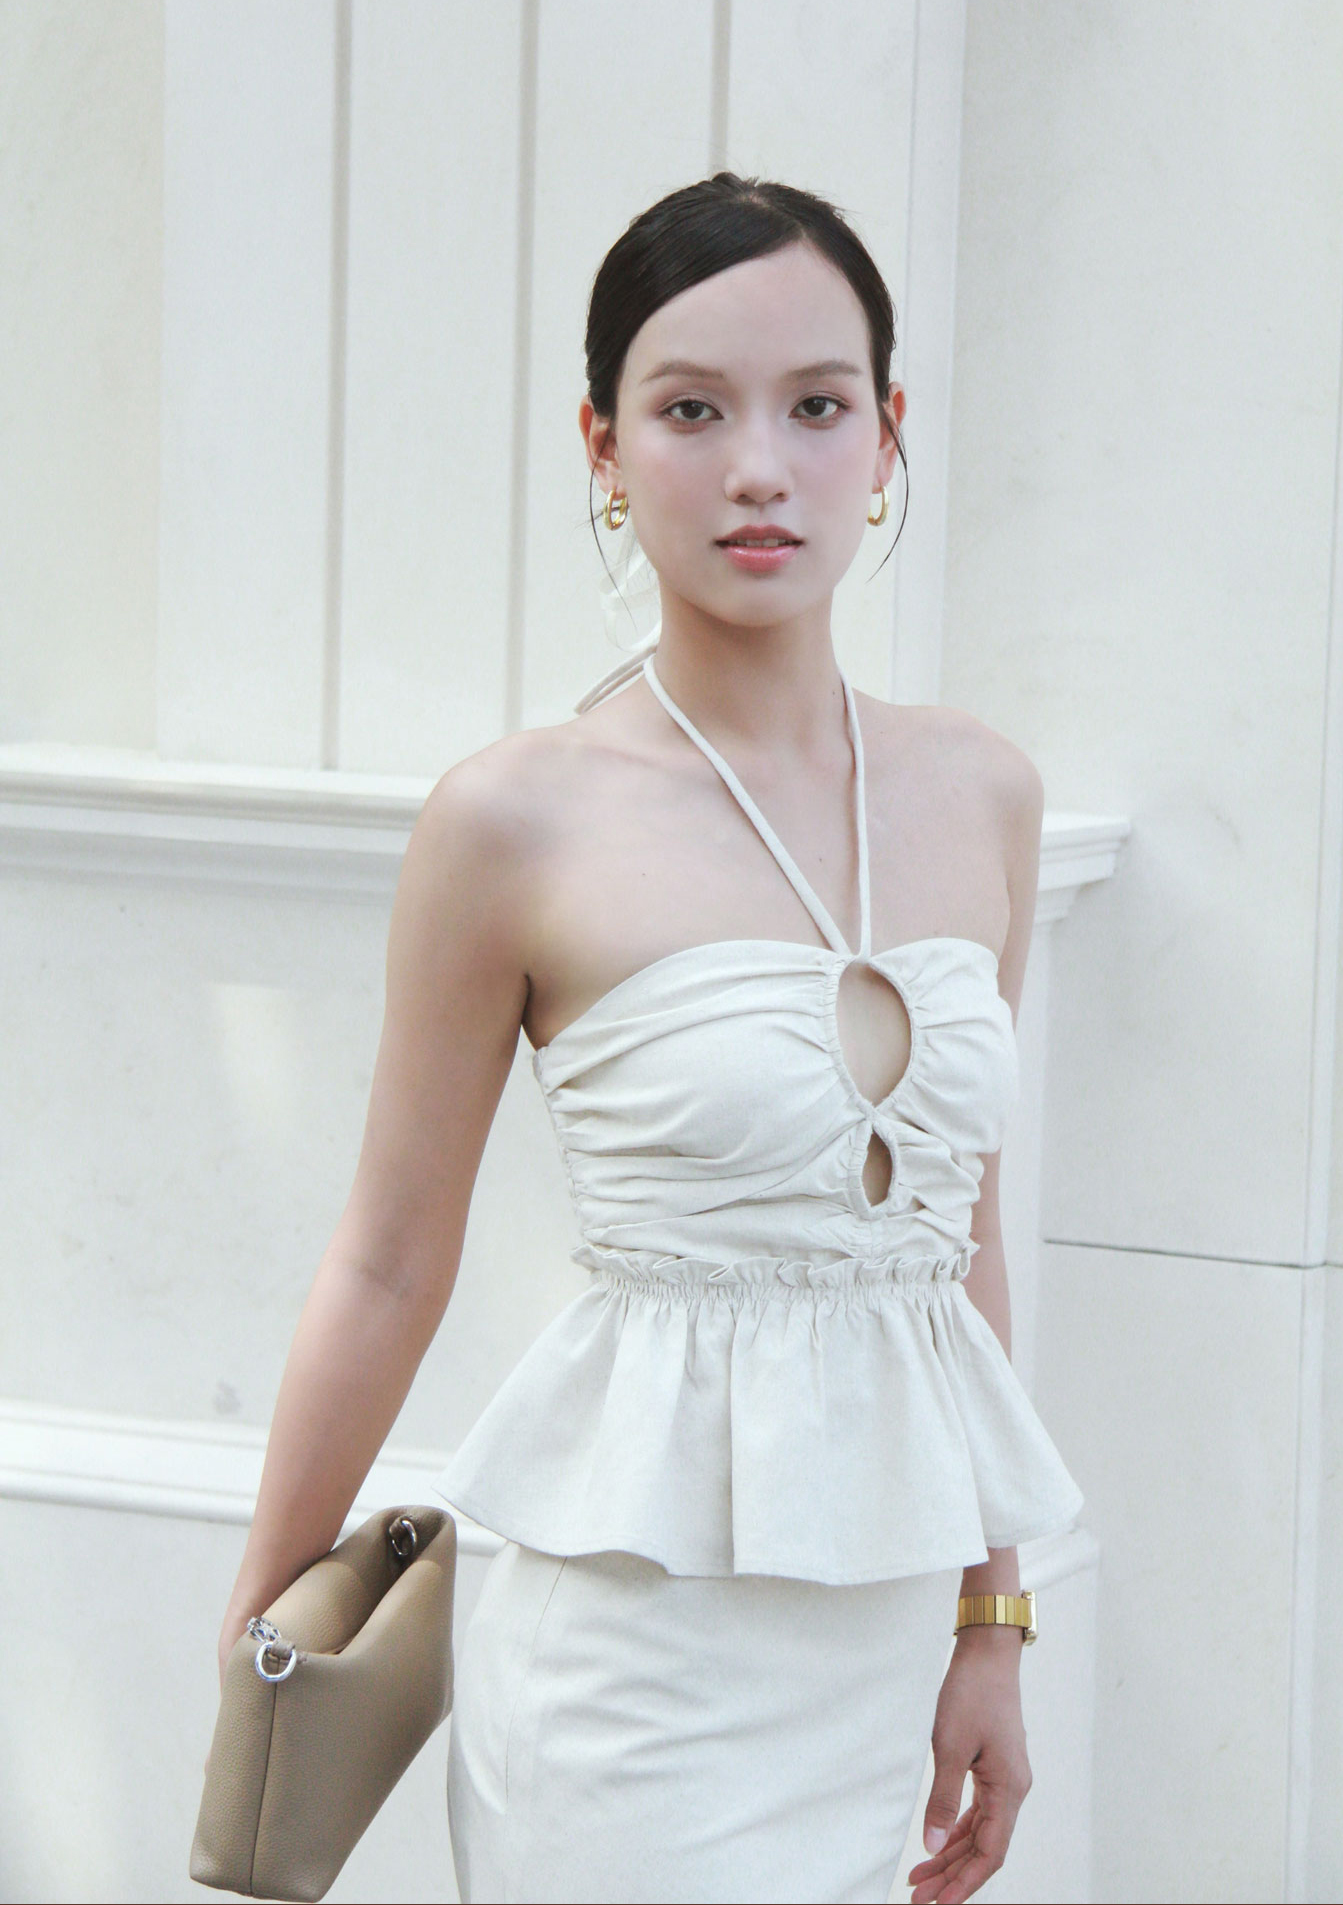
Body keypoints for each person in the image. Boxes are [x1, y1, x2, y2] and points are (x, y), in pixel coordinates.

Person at [217, 173, 1084, 1905]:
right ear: (603, 447)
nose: (760, 466)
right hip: (623, 1686)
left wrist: (989, 1616)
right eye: (692, 410)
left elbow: (953, 1245)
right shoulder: (514, 818)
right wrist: (262, 1618)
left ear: (885, 434)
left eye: (814, 407)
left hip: (877, 1662)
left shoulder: (978, 790)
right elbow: (387, 1261)